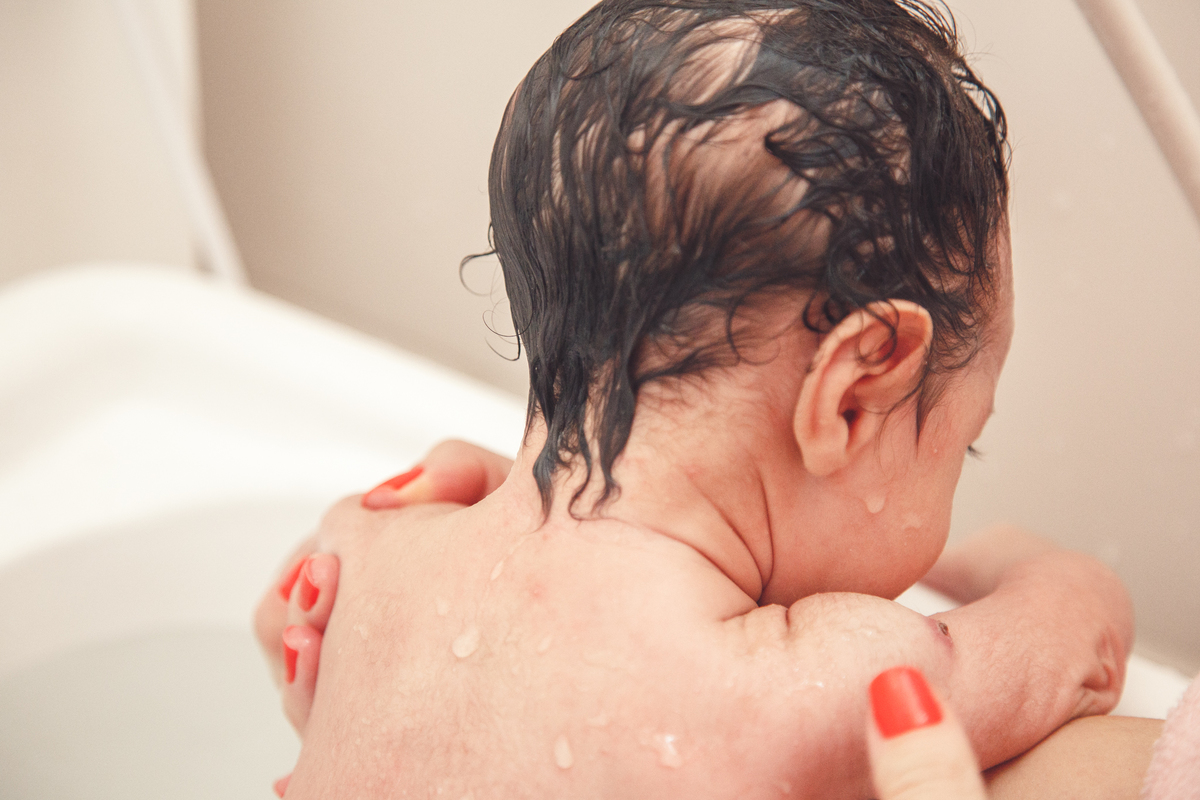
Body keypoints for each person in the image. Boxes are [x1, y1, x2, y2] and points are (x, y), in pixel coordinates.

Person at [255, 1, 1142, 796]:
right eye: (964, 445)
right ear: (855, 393)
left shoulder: (360, 557)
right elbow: (1081, 648)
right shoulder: (800, 684)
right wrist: (1010, 561)